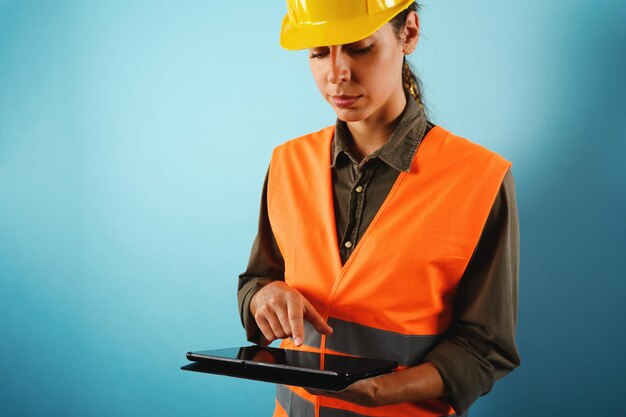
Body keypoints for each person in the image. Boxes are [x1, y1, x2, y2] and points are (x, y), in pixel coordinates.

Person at [237, 1, 520, 416]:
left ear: (408, 33)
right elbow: (256, 281)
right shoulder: (287, 162)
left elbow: (486, 348)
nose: (336, 73)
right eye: (318, 52)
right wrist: (263, 297)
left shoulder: (481, 179)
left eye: (359, 47)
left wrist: (382, 391)